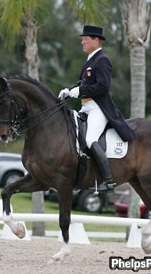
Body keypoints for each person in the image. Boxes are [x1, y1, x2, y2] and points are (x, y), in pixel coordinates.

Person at [59, 25, 136, 192]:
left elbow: (103, 87)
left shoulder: (102, 60)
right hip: (86, 107)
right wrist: (70, 89)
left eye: (85, 39)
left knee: (90, 139)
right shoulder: (91, 60)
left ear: (96, 40)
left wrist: (80, 90)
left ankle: (108, 180)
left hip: (98, 108)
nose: (82, 42)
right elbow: (85, 83)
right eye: (83, 39)